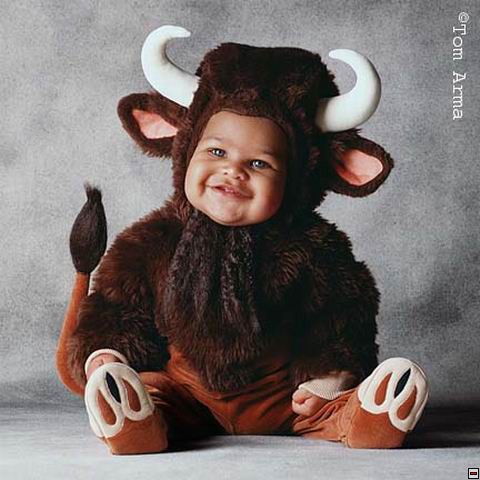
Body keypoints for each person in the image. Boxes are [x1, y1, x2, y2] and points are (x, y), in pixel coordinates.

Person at [57, 26, 429, 455]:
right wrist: (106, 354)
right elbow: (118, 308)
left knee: (330, 405)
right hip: (186, 394)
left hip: (285, 401)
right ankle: (133, 419)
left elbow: (342, 319)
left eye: (259, 163)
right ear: (183, 147)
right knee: (151, 390)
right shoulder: (154, 241)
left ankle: (366, 418)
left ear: (298, 179)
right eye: (216, 152)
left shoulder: (316, 250)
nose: (233, 171)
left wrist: (330, 378)